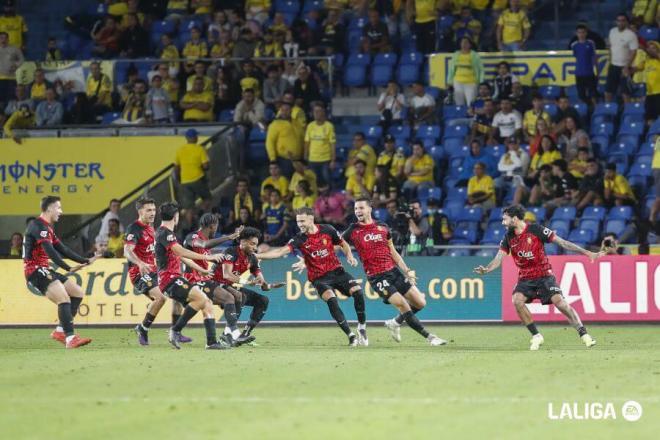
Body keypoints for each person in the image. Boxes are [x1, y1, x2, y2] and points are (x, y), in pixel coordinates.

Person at [474, 204, 601, 350]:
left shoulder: (536, 230)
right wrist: (487, 269)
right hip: (525, 278)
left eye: (505, 219)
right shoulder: (508, 237)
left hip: (544, 275)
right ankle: (536, 336)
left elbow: (563, 243)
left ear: (514, 219)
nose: (503, 223)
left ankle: (583, 334)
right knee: (517, 300)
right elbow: (499, 258)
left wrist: (587, 253)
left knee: (560, 303)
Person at [332, 198, 446, 346]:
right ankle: (431, 338)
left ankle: (395, 322)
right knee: (403, 305)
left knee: (420, 302)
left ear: (369, 209)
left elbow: (393, 252)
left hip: (394, 271)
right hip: (377, 277)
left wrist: (407, 270)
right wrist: (346, 254)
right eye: (356, 209)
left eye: (361, 208)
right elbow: (336, 245)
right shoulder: (353, 230)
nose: (358, 211)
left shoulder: (383, 227)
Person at [258, 208, 368, 346]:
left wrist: (349, 255)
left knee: (358, 291)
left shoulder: (327, 229)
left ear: (311, 219)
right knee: (331, 299)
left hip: (337, 272)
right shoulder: (299, 239)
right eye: (298, 221)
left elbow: (342, 243)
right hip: (319, 278)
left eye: (302, 221)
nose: (300, 224)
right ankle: (351, 335)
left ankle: (362, 327)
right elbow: (279, 252)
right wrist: (257, 255)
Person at [23, 196, 98, 349]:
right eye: (58, 208)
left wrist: (83, 260)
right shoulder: (38, 226)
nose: (61, 211)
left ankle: (59, 331)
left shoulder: (47, 227)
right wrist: (68, 268)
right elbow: (50, 251)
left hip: (45, 269)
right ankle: (70, 338)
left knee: (77, 293)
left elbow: (62, 248)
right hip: (35, 270)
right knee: (63, 298)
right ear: (49, 208)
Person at [154, 202, 229, 350]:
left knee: (206, 302)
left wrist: (201, 270)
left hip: (174, 278)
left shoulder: (165, 234)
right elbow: (181, 252)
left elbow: (181, 257)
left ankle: (211, 342)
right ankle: (175, 330)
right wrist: (207, 258)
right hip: (169, 279)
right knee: (201, 299)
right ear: (176, 217)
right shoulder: (165, 233)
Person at [124, 197, 192, 346]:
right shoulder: (134, 229)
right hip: (139, 273)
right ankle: (143, 329)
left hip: (156, 271)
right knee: (160, 298)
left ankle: (176, 332)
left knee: (177, 295)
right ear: (140, 211)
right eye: (148, 210)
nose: (152, 213)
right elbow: (127, 250)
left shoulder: (152, 228)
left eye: (154, 210)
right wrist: (140, 263)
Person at [182, 214, 255, 346]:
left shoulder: (204, 241)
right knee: (228, 298)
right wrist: (228, 237)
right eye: (216, 226)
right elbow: (203, 244)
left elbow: (205, 246)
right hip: (192, 280)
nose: (216, 229)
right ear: (212, 225)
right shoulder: (193, 237)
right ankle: (234, 333)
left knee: (238, 296)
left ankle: (227, 333)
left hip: (204, 279)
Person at [209, 226, 273, 345]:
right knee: (240, 296)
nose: (255, 248)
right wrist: (248, 282)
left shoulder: (252, 258)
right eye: (252, 244)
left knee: (263, 300)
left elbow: (259, 276)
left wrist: (265, 285)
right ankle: (231, 334)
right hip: (214, 285)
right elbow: (227, 275)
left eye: (256, 245)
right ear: (242, 241)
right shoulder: (230, 252)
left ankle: (242, 335)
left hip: (229, 287)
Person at [174, 128, 212, 211]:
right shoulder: (199, 149)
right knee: (207, 198)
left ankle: (191, 223)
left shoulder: (179, 150)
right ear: (195, 138)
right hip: (198, 178)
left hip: (185, 181)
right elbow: (206, 166)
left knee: (189, 207)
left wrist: (179, 179)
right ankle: (201, 213)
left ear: (186, 138)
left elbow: (176, 168)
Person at [605, 13, 638, 102]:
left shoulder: (631, 35)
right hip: (613, 66)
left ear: (626, 22)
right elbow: (611, 47)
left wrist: (627, 66)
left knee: (625, 93)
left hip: (625, 67)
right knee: (608, 92)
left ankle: (628, 113)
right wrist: (610, 62)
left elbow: (634, 52)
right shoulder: (612, 31)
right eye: (618, 20)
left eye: (623, 20)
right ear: (616, 22)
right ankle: (608, 112)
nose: (620, 22)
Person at [266, 101, 302, 176]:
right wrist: (273, 159)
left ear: (291, 111)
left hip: (299, 159)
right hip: (284, 160)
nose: (284, 112)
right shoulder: (275, 124)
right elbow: (270, 142)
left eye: (287, 110)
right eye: (283, 110)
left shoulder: (297, 123)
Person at [304, 103, 336, 187]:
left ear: (323, 112)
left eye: (318, 111)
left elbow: (332, 144)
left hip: (325, 159)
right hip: (312, 159)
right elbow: (307, 142)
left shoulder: (329, 126)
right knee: (314, 181)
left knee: (327, 179)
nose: (316, 113)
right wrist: (305, 156)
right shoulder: (310, 126)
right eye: (315, 111)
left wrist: (333, 160)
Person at [447, 36, 484, 106]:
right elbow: (451, 69)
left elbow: (481, 69)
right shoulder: (456, 54)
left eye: (466, 42)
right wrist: (449, 81)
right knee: (459, 103)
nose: (464, 44)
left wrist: (481, 82)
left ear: (470, 45)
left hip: (471, 82)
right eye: (462, 42)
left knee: (471, 103)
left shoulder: (475, 55)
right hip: (457, 82)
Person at [571, 24, 599, 106]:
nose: (581, 34)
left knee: (593, 94)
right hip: (579, 74)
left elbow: (594, 57)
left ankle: (595, 110)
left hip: (589, 73)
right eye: (579, 32)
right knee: (581, 95)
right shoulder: (574, 45)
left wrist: (597, 71)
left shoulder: (590, 43)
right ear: (576, 33)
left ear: (586, 33)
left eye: (583, 32)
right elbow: (576, 56)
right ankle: (588, 108)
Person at [0, 31, 22, 104]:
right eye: (1, 38)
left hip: (11, 78)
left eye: (5, 38)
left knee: (10, 99)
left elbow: (21, 59)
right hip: (0, 78)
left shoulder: (14, 49)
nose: (3, 40)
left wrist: (16, 65)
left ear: (8, 39)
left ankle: (10, 114)